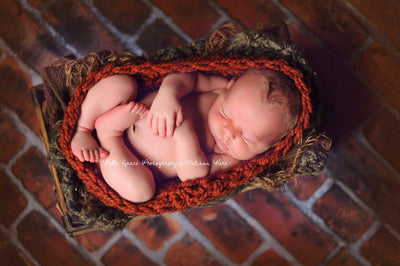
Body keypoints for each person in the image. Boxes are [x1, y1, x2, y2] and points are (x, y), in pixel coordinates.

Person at [71, 69, 301, 203]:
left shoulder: (231, 158)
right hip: (128, 110)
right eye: (225, 114)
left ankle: (108, 134)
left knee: (141, 192)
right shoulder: (217, 88)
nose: (228, 133)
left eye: (247, 138)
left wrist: (185, 136)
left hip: (125, 161)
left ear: (270, 147)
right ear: (229, 87)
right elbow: (185, 77)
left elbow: (192, 175)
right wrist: (169, 95)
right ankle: (83, 129)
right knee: (121, 83)